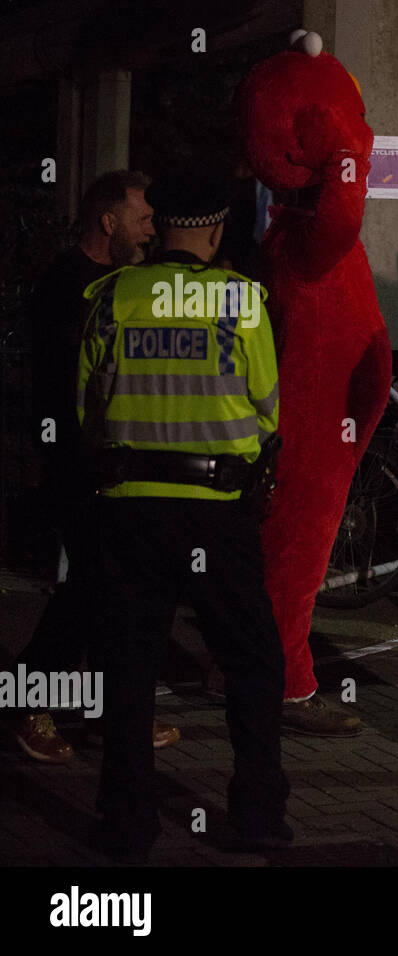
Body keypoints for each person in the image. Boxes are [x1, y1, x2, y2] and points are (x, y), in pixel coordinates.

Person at [77, 172, 290, 861]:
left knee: (129, 667)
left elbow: (89, 404)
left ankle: (126, 820)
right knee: (254, 664)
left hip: (131, 511)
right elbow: (268, 407)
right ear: (216, 229)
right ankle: (257, 815)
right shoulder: (241, 300)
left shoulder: (112, 297)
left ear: (160, 224)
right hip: (216, 513)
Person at [14, 170, 181, 764]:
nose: (149, 232)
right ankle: (31, 702)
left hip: (110, 460)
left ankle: (115, 711)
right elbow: (69, 387)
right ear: (107, 222)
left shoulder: (120, 282)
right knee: (91, 586)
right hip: (76, 461)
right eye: (140, 221)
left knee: (114, 586)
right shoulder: (70, 286)